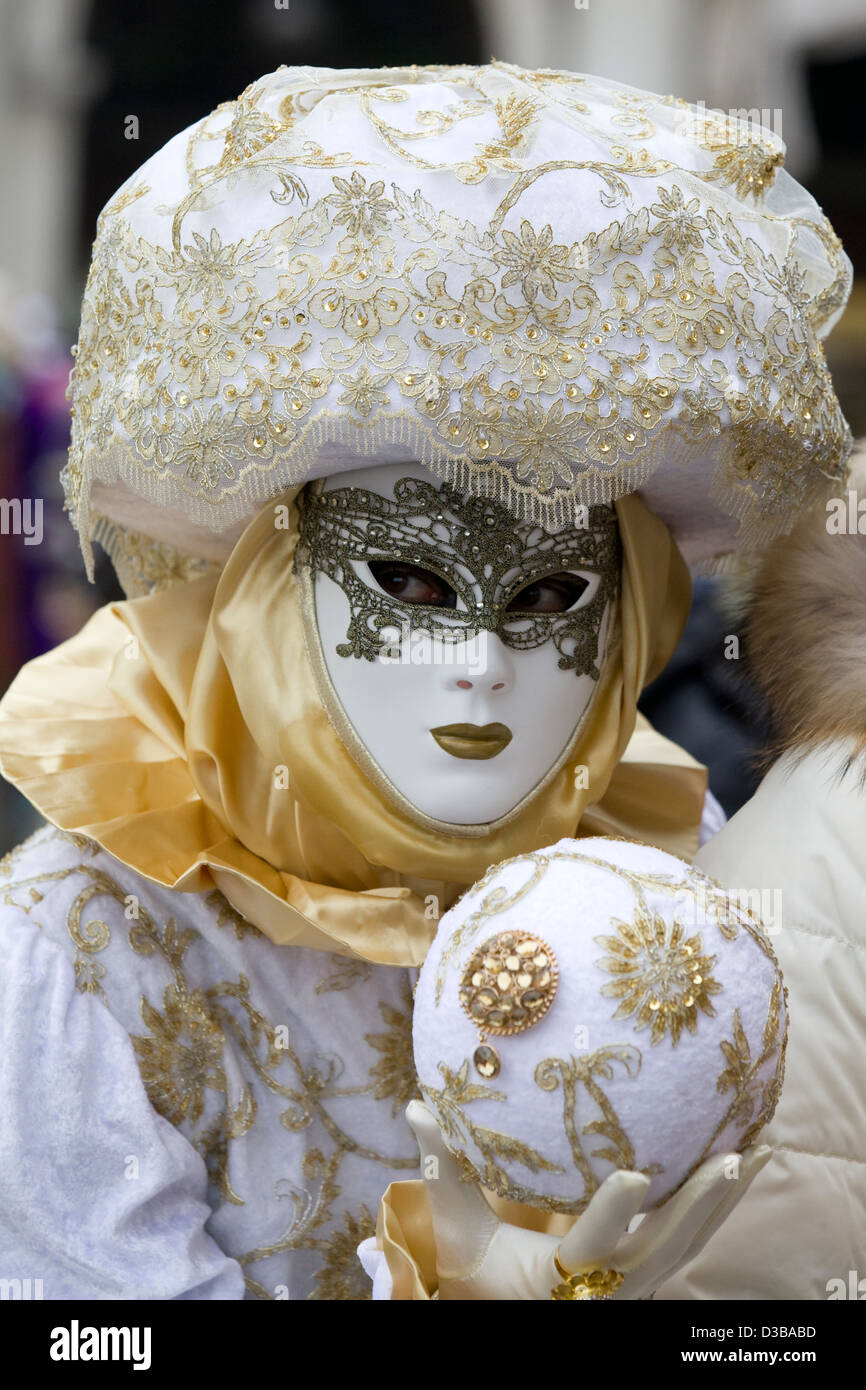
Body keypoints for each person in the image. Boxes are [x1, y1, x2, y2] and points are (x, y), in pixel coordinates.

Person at [0, 62, 854, 1300]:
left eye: (552, 599)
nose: (478, 663)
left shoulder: (657, 875)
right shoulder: (83, 942)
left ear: (631, 618)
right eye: (404, 586)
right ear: (266, 592)